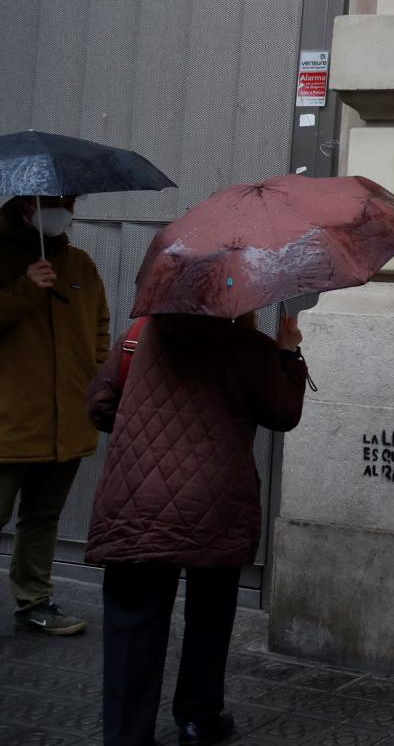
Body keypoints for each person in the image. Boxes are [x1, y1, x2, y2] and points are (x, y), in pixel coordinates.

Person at [85, 312, 308, 746]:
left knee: (134, 620)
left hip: (138, 498)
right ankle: (197, 718)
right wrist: (288, 353)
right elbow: (283, 413)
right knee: (210, 614)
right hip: (216, 501)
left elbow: (99, 406)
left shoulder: (140, 335)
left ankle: (127, 736)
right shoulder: (251, 347)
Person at [0, 195, 109, 637]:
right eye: (54, 202)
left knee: (43, 516)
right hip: (9, 419)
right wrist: (25, 287)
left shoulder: (79, 264)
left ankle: (35, 602)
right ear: (26, 204)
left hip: (67, 421)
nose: (65, 209)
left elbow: (99, 324)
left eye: (70, 201)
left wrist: (95, 374)